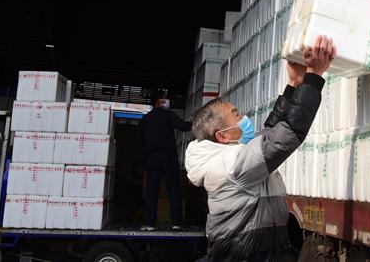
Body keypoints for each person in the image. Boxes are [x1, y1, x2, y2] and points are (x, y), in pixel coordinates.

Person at [184, 36, 336, 262]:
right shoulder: (230, 165)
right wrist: (314, 77)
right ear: (223, 136)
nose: (244, 118)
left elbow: (269, 133)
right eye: (236, 115)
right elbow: (286, 134)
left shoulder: (225, 159)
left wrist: (294, 85)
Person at [139, 90, 192, 231]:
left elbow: (141, 140)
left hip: (152, 157)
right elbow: (184, 127)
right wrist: (198, 122)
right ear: (159, 101)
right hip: (168, 156)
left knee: (152, 190)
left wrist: (146, 156)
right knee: (173, 189)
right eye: (164, 99)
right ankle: (177, 223)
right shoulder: (168, 115)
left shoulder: (146, 119)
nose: (166, 101)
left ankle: (150, 223)